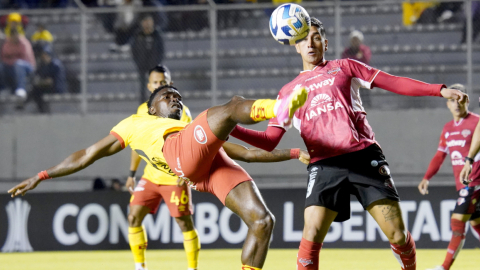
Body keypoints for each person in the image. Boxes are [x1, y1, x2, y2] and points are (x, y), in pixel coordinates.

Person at [228, 17, 469, 270]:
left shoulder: (345, 67)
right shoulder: (287, 92)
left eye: (316, 37)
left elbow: (393, 82)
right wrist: (232, 128)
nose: (310, 43)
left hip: (364, 157)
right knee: (310, 235)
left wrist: (439, 90)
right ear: (295, 46)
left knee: (398, 235)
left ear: (326, 43)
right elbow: (268, 141)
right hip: (324, 165)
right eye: (303, 39)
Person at [8, 84, 309, 270]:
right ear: (152, 108)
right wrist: (43, 175)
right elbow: (87, 155)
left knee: (262, 221)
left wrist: (295, 154)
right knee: (232, 104)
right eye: (167, 97)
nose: (175, 100)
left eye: (178, 97)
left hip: (205, 169)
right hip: (180, 156)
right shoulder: (135, 124)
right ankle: (278, 109)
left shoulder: (189, 128)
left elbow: (247, 153)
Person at [126, 64, 199, 270]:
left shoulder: (182, 111)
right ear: (150, 86)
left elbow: (190, 145)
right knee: (133, 216)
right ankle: (140, 267)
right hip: (150, 177)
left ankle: (192, 268)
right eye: (156, 82)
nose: (160, 85)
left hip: (173, 177)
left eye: (164, 82)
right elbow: (137, 144)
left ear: (171, 84)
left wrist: (185, 173)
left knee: (184, 224)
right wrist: (132, 174)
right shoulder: (143, 111)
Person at [417, 84, 480, 270]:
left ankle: (444, 267)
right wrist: (427, 177)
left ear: (466, 100)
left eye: (460, 99)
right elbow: (440, 155)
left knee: (457, 221)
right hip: (463, 184)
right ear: (447, 104)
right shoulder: (448, 128)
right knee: (476, 222)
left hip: (474, 180)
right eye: (452, 100)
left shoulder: (476, 122)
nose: (456, 103)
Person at [131, 15, 165, 103]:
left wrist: (157, 63)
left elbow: (161, 51)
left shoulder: (157, 35)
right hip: (142, 64)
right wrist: (138, 62)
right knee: (143, 87)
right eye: (145, 22)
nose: (147, 24)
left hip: (154, 65)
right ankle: (143, 107)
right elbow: (133, 50)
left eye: (149, 21)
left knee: (156, 87)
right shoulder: (138, 35)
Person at [25, 45, 66, 113]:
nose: (43, 56)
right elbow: (37, 76)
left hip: (56, 88)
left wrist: (40, 82)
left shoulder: (55, 65)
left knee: (37, 91)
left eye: (45, 54)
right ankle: (29, 104)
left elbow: (50, 81)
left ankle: (27, 104)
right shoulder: (43, 65)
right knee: (36, 91)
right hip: (47, 87)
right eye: (43, 55)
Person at [0, 27, 35, 98]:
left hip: (27, 67)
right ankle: (3, 88)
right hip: (11, 66)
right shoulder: (7, 44)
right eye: (12, 35)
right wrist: (11, 61)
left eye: (15, 35)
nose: (14, 37)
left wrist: (12, 60)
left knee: (18, 64)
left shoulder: (24, 43)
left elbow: (25, 58)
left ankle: (21, 89)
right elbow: (4, 58)